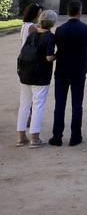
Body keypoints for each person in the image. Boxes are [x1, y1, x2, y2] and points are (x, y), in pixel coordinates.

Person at [48, 0, 87, 146]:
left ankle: (57, 136)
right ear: (79, 11)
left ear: (68, 12)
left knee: (59, 104)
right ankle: (75, 136)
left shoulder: (60, 30)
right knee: (77, 104)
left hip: (62, 69)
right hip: (79, 70)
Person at [16, 8, 57, 147]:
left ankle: (21, 137)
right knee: (38, 105)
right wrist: (58, 55)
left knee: (24, 105)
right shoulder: (50, 37)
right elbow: (49, 57)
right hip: (40, 75)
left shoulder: (32, 34)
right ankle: (35, 138)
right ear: (52, 23)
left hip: (25, 73)